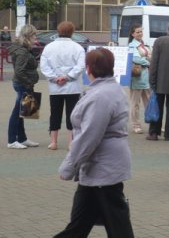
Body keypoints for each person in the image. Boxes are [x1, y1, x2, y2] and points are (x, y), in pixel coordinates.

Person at [54, 48, 134, 238]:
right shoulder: (108, 90)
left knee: (116, 225)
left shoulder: (101, 96)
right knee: (80, 225)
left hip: (103, 165)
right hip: (100, 166)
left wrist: (69, 166)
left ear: (88, 68)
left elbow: (89, 137)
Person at [40, 21, 85, 150]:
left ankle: (53, 142)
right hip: (73, 86)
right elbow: (80, 66)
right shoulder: (78, 47)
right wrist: (68, 77)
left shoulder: (49, 47)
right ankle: (71, 143)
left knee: (55, 113)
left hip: (55, 87)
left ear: (58, 31)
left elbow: (44, 66)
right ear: (72, 32)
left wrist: (55, 78)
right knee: (72, 114)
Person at [7, 25, 40, 149]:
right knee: (17, 112)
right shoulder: (22, 52)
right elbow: (19, 71)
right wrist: (29, 83)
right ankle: (11, 140)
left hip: (22, 83)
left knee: (22, 112)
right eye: (34, 35)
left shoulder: (23, 48)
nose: (36, 37)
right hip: (22, 84)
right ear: (28, 36)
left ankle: (22, 138)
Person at [128, 24, 151, 134]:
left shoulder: (144, 44)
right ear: (132, 34)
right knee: (135, 103)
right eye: (137, 32)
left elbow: (151, 56)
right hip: (137, 77)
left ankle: (153, 124)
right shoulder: (132, 45)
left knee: (150, 103)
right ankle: (136, 125)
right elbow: (135, 58)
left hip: (147, 77)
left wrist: (147, 59)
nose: (140, 33)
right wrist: (148, 62)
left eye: (141, 31)